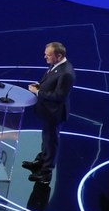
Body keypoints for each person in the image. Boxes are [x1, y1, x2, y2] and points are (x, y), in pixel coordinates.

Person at [24, 42, 74, 184]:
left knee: (51, 142)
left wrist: (38, 92)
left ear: (59, 56)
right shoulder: (56, 65)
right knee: (46, 139)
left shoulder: (66, 73)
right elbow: (49, 81)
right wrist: (39, 85)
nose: (45, 56)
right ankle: (40, 162)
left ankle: (45, 173)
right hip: (47, 111)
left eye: (48, 54)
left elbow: (59, 96)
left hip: (55, 113)